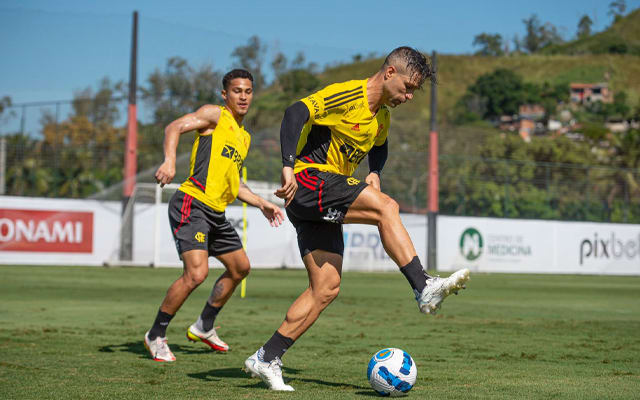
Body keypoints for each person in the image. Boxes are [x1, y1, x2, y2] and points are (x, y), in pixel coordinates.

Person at [243, 47, 470, 390]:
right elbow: (295, 112)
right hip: (308, 179)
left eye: (414, 92)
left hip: (321, 196)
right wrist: (287, 164)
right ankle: (422, 285)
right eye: (407, 87)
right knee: (387, 208)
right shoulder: (349, 94)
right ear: (389, 73)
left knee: (326, 288)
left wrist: (375, 171)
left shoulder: (382, 116)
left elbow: (380, 144)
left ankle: (266, 358)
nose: (409, 96)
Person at [144, 69, 285, 362]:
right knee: (196, 273)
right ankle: (156, 334)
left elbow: (235, 185)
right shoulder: (214, 116)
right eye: (237, 91)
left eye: (247, 91)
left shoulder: (244, 137)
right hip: (192, 203)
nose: (243, 96)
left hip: (216, 212)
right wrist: (169, 161)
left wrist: (262, 203)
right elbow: (173, 127)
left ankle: (204, 326)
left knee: (240, 268)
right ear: (225, 94)